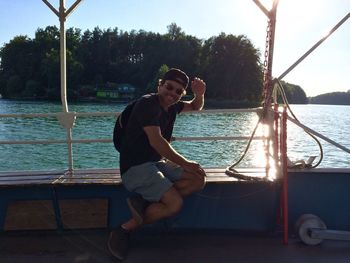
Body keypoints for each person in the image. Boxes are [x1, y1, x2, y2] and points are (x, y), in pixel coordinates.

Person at [107, 68, 207, 260]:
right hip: (135, 167)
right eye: (169, 87)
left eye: (178, 91)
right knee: (174, 204)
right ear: (160, 84)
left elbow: (195, 106)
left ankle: (145, 202)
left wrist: (200, 94)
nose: (172, 93)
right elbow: (157, 141)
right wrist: (186, 163)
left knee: (198, 179)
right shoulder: (148, 104)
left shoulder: (172, 107)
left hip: (155, 163)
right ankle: (124, 230)